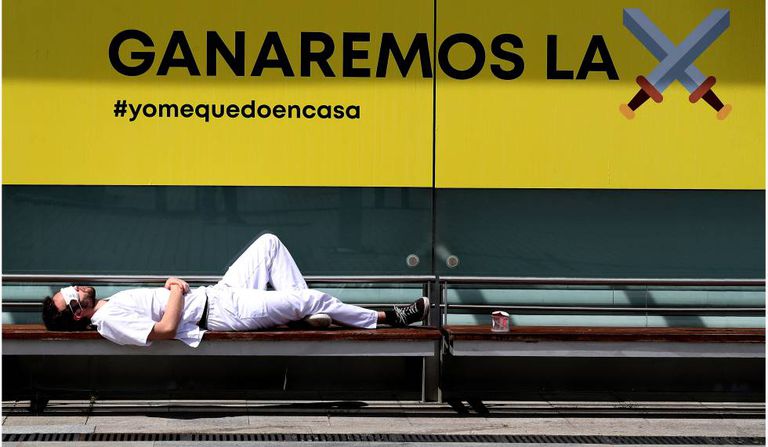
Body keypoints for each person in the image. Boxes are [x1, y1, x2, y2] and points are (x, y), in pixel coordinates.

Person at [41, 233, 429, 347]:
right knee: (310, 298)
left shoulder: (107, 305)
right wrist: (175, 289)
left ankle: (300, 313)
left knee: (269, 244)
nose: (75, 288)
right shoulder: (108, 321)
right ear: (78, 313)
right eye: (71, 296)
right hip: (224, 313)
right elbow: (163, 332)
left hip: (220, 293)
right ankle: (386, 317)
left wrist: (173, 290)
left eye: (68, 287)